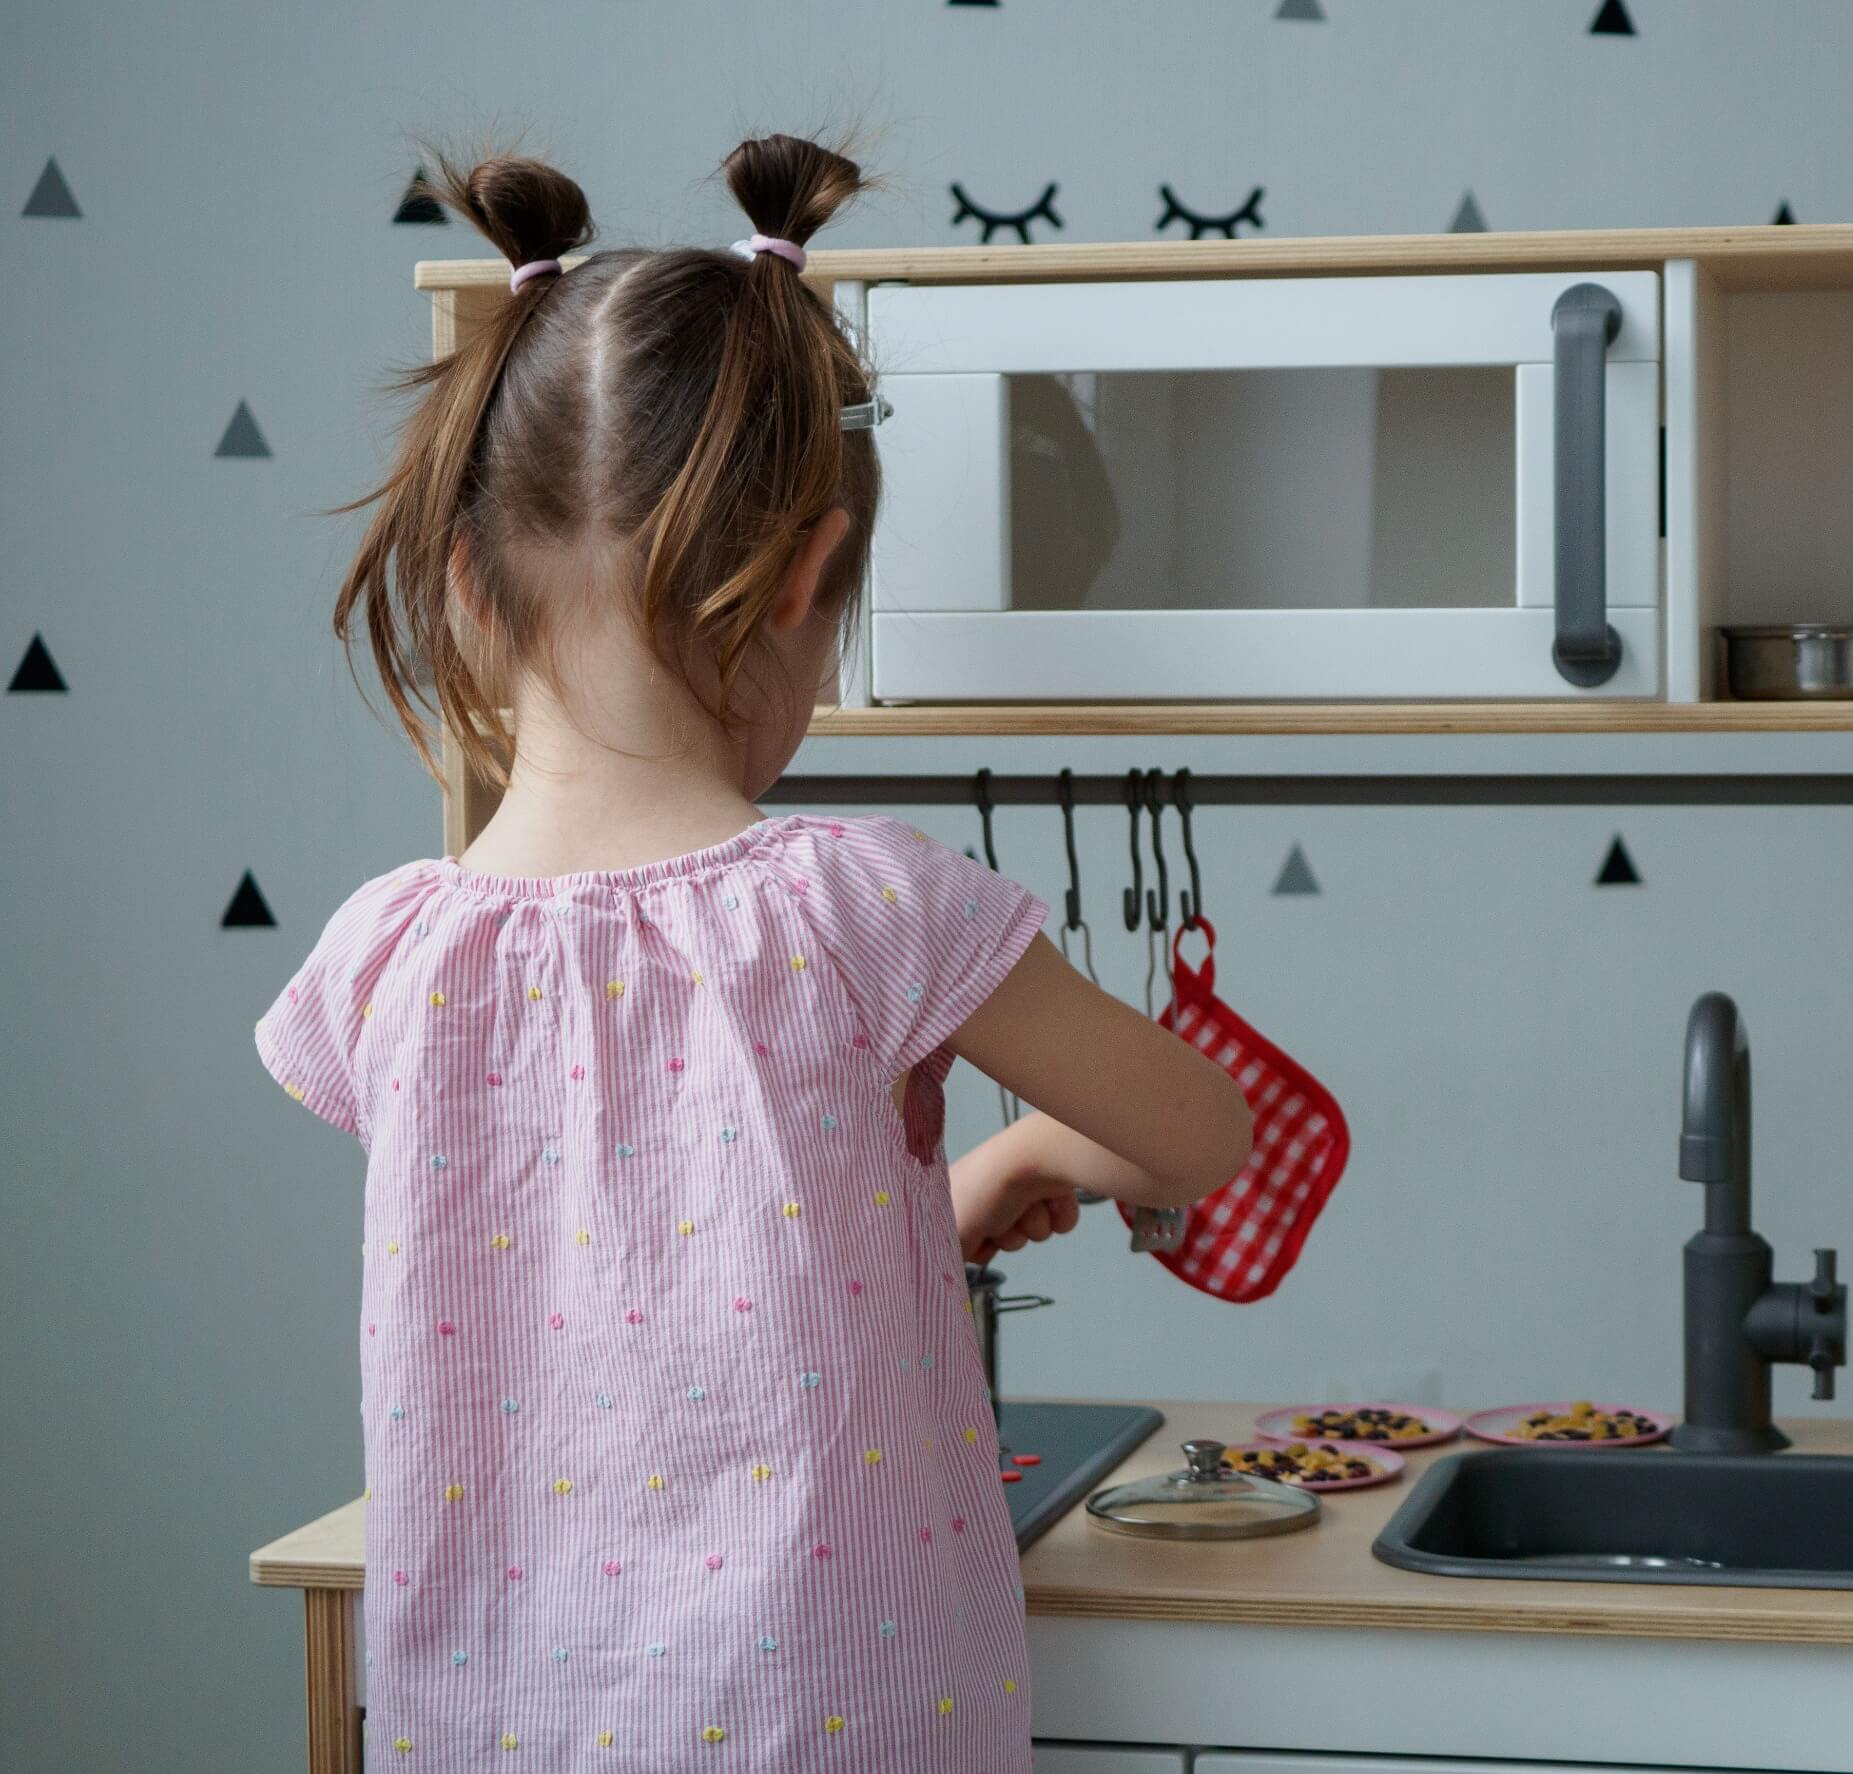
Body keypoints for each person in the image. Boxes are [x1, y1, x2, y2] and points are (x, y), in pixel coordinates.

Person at [254, 132, 1252, 1772]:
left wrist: (946, 1199)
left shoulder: (386, 955)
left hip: (495, 1728)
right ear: (807, 580)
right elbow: (1202, 1134)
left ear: (464, 592)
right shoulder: (858, 902)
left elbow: (642, 1291)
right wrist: (1050, 1135)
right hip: (833, 1724)